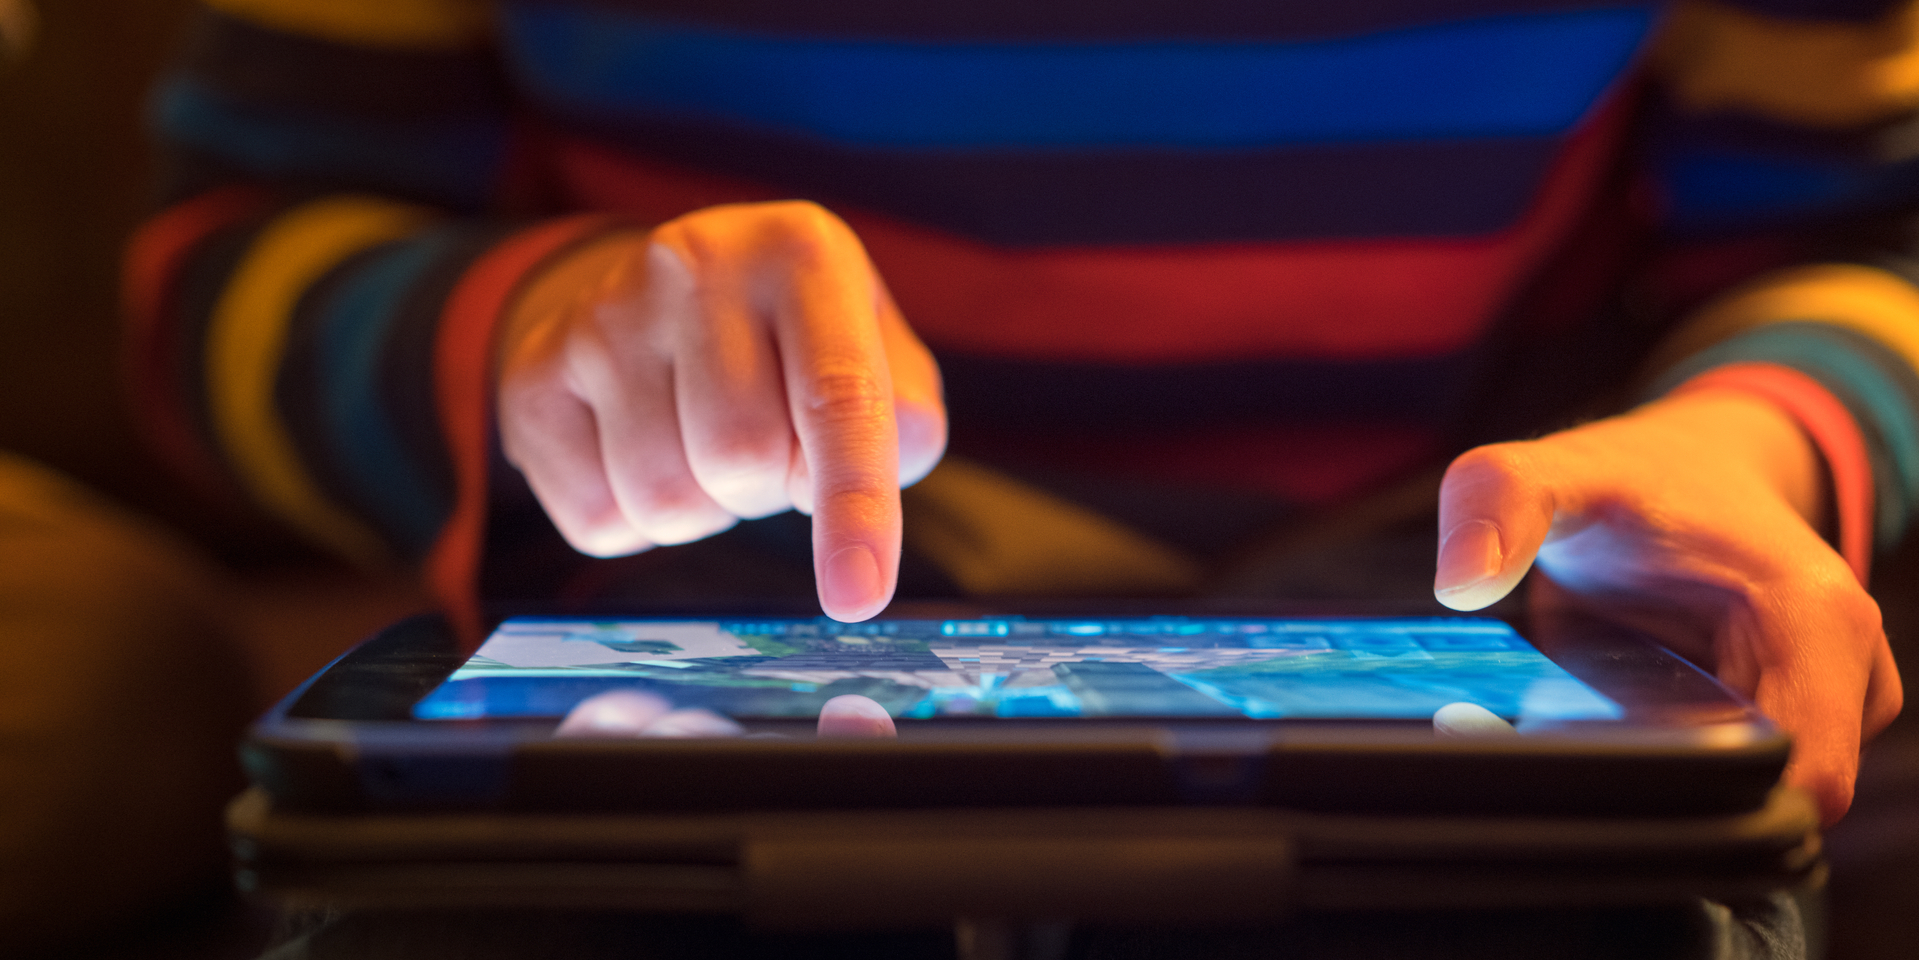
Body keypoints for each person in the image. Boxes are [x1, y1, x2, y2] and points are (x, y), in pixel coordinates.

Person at [133, 0, 1910, 847]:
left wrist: (1748, 437)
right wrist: (520, 334)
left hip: (1466, 587)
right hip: (686, 609)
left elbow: (1857, 240)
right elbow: (223, 270)